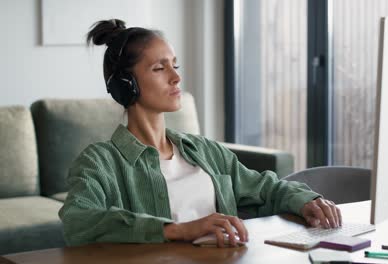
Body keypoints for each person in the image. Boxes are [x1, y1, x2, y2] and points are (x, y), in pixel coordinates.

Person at [58, 19, 342, 248]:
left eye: (175, 65)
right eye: (159, 68)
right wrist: (177, 230)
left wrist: (308, 201)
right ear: (126, 84)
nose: (176, 77)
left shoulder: (204, 151)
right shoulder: (99, 162)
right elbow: (78, 220)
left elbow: (265, 188)